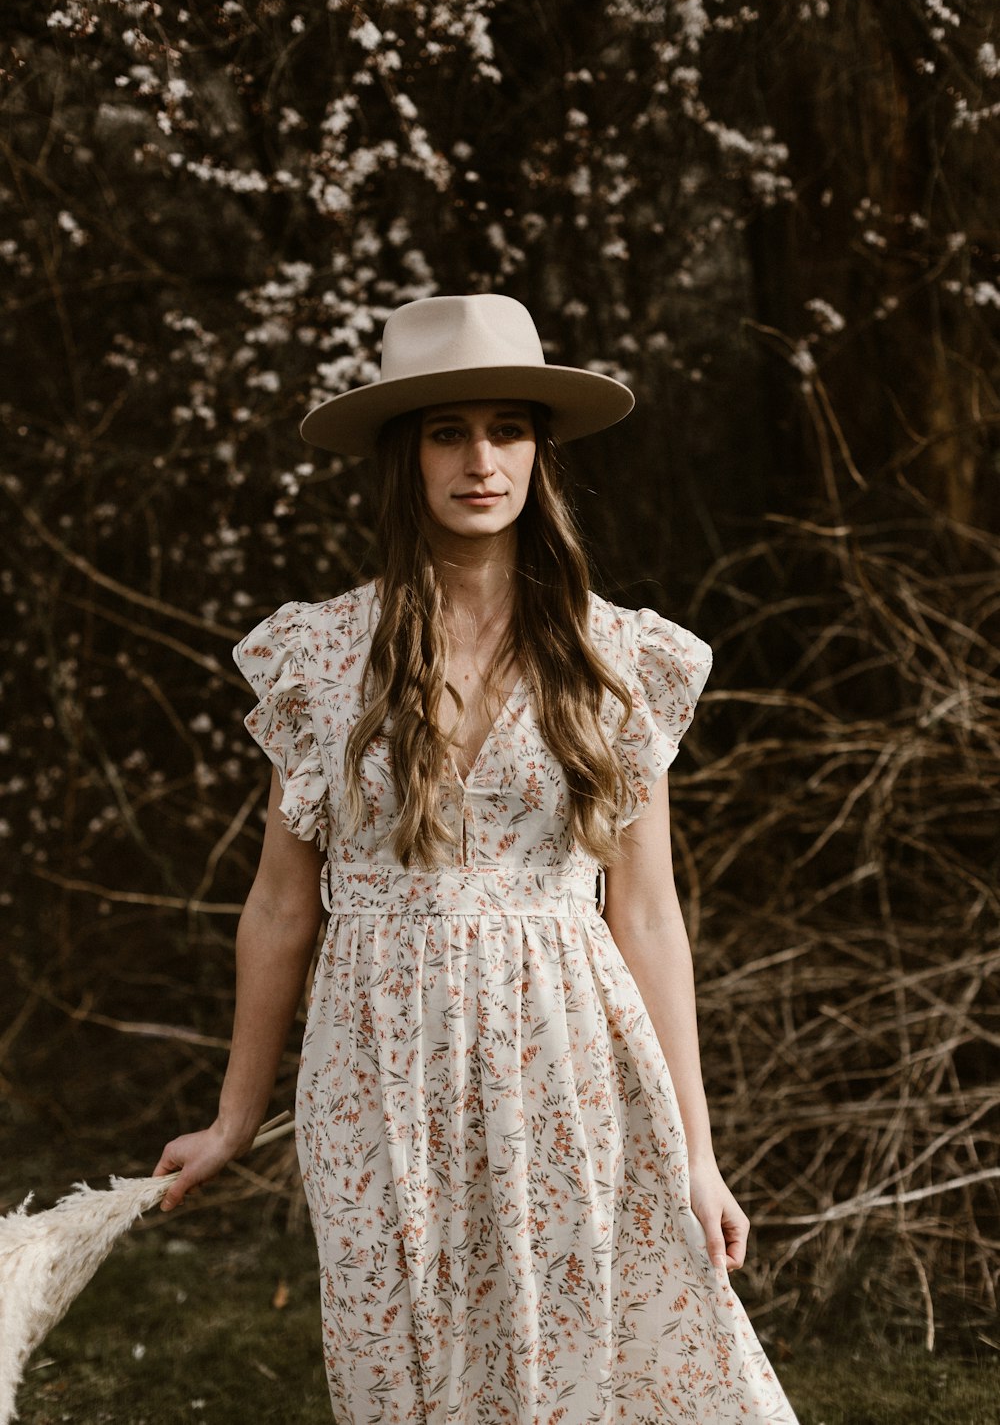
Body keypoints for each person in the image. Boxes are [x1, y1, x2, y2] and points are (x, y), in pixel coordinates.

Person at [154, 294, 799, 1423]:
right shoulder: (317, 653)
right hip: (374, 1054)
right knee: (404, 1354)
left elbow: (646, 915)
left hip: (567, 1043)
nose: (480, 459)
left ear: (539, 452)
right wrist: (233, 1117)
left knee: (577, 1350)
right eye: (447, 432)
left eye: (506, 428)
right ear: (404, 455)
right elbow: (277, 904)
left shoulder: (615, 656)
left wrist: (699, 1155)